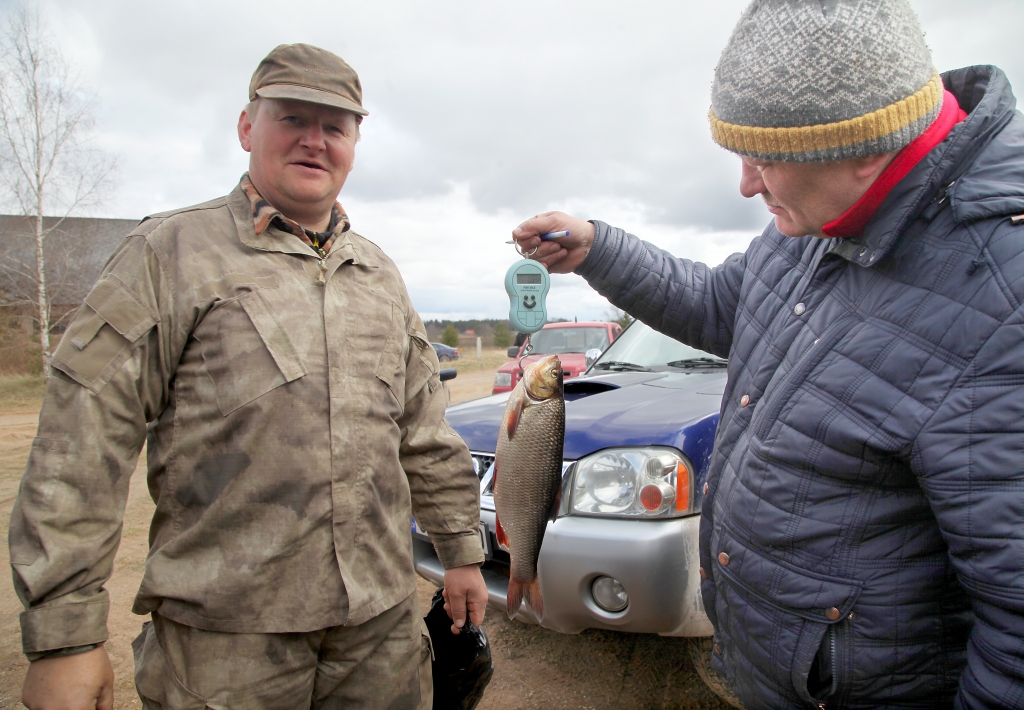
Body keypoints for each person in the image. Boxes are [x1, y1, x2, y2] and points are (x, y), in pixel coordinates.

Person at [513, 1, 1024, 707]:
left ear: (864, 144)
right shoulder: (824, 218)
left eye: (765, 158)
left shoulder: (1003, 293)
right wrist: (600, 249)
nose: (747, 185)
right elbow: (724, 303)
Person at [12, 43, 487, 710]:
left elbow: (423, 432)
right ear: (246, 127)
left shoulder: (379, 276)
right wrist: (65, 639)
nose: (315, 142)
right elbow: (81, 441)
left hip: (378, 639)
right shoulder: (168, 254)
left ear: (355, 142)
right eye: (292, 118)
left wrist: (461, 550)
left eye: (335, 127)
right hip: (225, 648)